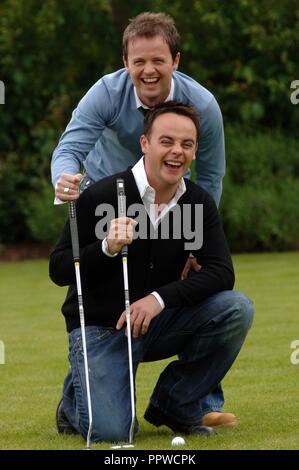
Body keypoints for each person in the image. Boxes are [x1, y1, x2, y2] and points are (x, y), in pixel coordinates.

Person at [51, 11, 231, 427]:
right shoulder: (105, 93)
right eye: (138, 62)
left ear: (176, 61)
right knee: (103, 295)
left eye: (159, 61)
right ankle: (86, 387)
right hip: (109, 199)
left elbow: (212, 175)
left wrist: (199, 238)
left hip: (172, 198)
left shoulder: (202, 105)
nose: (148, 70)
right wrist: (65, 182)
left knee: (197, 293)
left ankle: (195, 402)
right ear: (126, 62)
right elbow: (70, 148)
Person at [49, 101, 254, 443]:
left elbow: (221, 272)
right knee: (113, 432)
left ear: (194, 150)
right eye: (167, 141)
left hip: (158, 321)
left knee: (236, 308)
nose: (177, 152)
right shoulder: (101, 195)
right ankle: (73, 398)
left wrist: (159, 299)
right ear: (145, 144)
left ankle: (174, 404)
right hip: (101, 329)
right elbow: (58, 268)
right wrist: (106, 248)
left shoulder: (198, 203)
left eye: (187, 144)